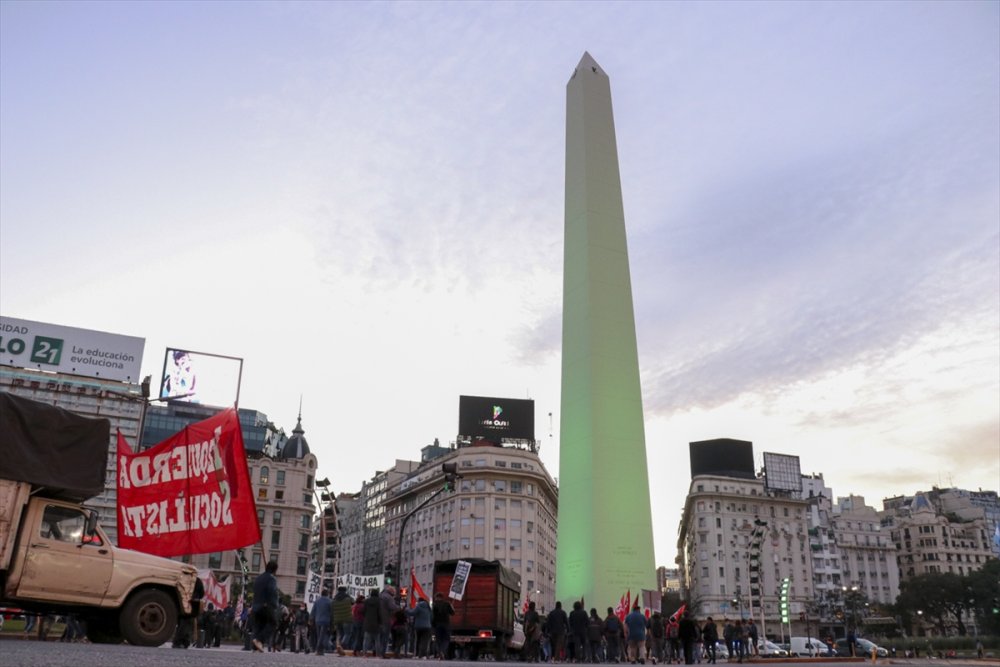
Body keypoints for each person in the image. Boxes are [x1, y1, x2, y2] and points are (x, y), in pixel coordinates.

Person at [251, 560, 279, 652]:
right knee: (273, 623)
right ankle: (259, 640)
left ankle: (256, 647)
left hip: (256, 605)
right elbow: (272, 592)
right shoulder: (272, 579)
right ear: (275, 570)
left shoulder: (258, 578)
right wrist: (275, 604)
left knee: (260, 625)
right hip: (266, 605)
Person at [433, 591, 456, 660]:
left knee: (438, 640)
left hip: (437, 624)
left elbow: (433, 616)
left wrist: (433, 625)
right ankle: (443, 651)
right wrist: (452, 606)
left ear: (437, 597)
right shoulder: (447, 604)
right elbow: (452, 613)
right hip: (446, 624)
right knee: (446, 639)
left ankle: (439, 652)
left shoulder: (435, 605)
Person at [379, 585, 400, 657]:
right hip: (386, 619)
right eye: (394, 592)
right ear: (391, 591)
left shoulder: (380, 595)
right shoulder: (389, 597)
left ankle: (377, 652)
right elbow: (392, 607)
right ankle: (382, 653)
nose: (394, 593)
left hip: (378, 619)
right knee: (385, 637)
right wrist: (399, 608)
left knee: (378, 637)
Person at [332, 585, 354, 655]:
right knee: (347, 634)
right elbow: (353, 601)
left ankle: (339, 646)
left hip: (337, 619)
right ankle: (341, 646)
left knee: (340, 634)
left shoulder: (334, 599)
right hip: (347, 619)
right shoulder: (348, 598)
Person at [311, 588, 333, 655]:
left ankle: (320, 650)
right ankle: (318, 650)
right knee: (322, 636)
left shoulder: (317, 601)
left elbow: (313, 611)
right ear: (327, 594)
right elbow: (332, 612)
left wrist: (311, 619)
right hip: (326, 620)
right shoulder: (330, 601)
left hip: (317, 620)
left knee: (319, 636)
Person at [363, 588, 383, 657]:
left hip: (367, 622)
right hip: (376, 622)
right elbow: (380, 613)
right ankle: (378, 654)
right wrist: (380, 622)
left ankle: (364, 653)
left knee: (366, 640)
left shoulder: (366, 601)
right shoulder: (379, 602)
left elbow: (363, 611)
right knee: (377, 640)